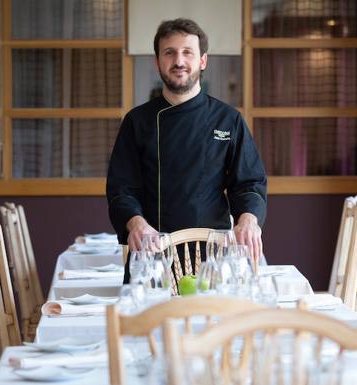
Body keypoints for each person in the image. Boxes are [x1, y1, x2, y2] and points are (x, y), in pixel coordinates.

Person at [106, 18, 267, 282]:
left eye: (187, 52)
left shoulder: (228, 120)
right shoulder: (138, 121)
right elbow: (121, 188)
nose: (179, 61)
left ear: (202, 61)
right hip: (153, 255)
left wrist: (248, 219)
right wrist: (136, 223)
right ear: (157, 62)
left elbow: (248, 183)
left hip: (214, 258)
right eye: (169, 53)